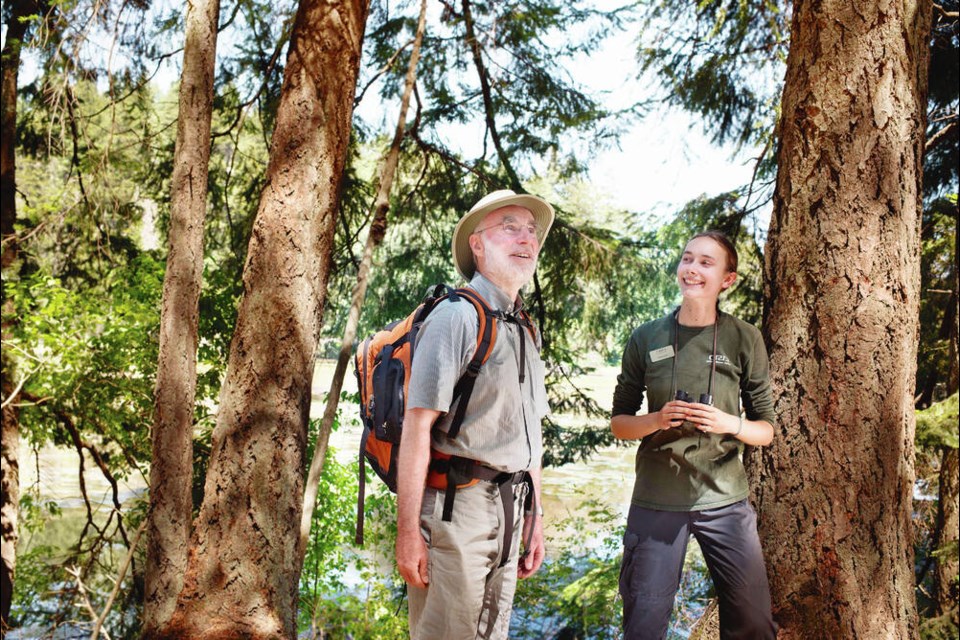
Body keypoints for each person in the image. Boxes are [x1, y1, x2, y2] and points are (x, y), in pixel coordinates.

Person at [396, 189, 553, 639]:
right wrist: (408, 532)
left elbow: (531, 437)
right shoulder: (456, 316)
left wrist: (535, 517)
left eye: (531, 230)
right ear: (477, 245)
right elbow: (417, 427)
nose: (526, 238)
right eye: (510, 226)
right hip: (455, 509)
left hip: (510, 505)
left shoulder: (524, 327)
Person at [611, 231, 777, 640]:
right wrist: (657, 419)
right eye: (687, 259)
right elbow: (619, 423)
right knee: (644, 625)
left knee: (754, 624)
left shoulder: (744, 338)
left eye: (706, 262)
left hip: (724, 501)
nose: (692, 269)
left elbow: (766, 431)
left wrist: (729, 423)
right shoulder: (645, 337)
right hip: (656, 500)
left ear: (727, 279)